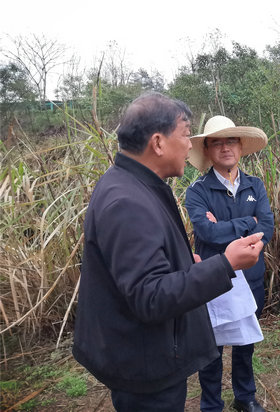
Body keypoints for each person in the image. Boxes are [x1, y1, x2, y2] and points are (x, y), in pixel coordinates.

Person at [72, 93, 265, 412]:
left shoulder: (133, 186)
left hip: (143, 354)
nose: (189, 145)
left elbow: (145, 272)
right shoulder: (128, 202)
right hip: (144, 366)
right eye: (186, 134)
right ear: (158, 143)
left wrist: (184, 263)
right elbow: (150, 296)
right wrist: (226, 264)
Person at [185, 115, 274, 412]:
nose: (225, 148)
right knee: (211, 346)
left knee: (245, 343)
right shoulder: (197, 191)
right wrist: (249, 222)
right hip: (213, 278)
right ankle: (211, 405)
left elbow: (267, 227)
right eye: (217, 142)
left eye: (231, 140)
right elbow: (206, 232)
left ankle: (245, 397)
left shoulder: (255, 185)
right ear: (208, 150)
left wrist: (227, 227)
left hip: (251, 276)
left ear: (240, 146)